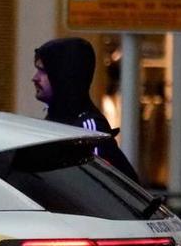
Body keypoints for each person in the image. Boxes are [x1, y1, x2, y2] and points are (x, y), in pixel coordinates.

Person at [32, 37, 139, 181]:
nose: (35, 78)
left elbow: (92, 186)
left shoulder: (87, 130)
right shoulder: (57, 121)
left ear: (63, 76)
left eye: (43, 71)